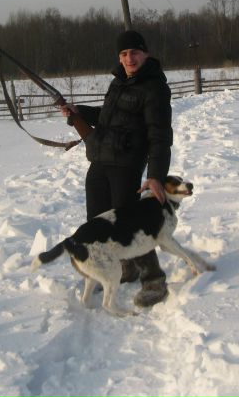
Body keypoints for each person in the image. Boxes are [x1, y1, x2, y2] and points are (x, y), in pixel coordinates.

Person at [59, 29, 173, 307]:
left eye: (134, 52)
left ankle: (154, 281)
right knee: (98, 223)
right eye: (123, 54)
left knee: (130, 225)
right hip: (99, 161)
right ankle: (125, 268)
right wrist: (79, 112)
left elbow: (159, 135)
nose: (129, 58)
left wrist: (155, 175)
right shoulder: (118, 82)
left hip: (126, 166)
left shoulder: (154, 87)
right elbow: (106, 117)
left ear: (145, 54)